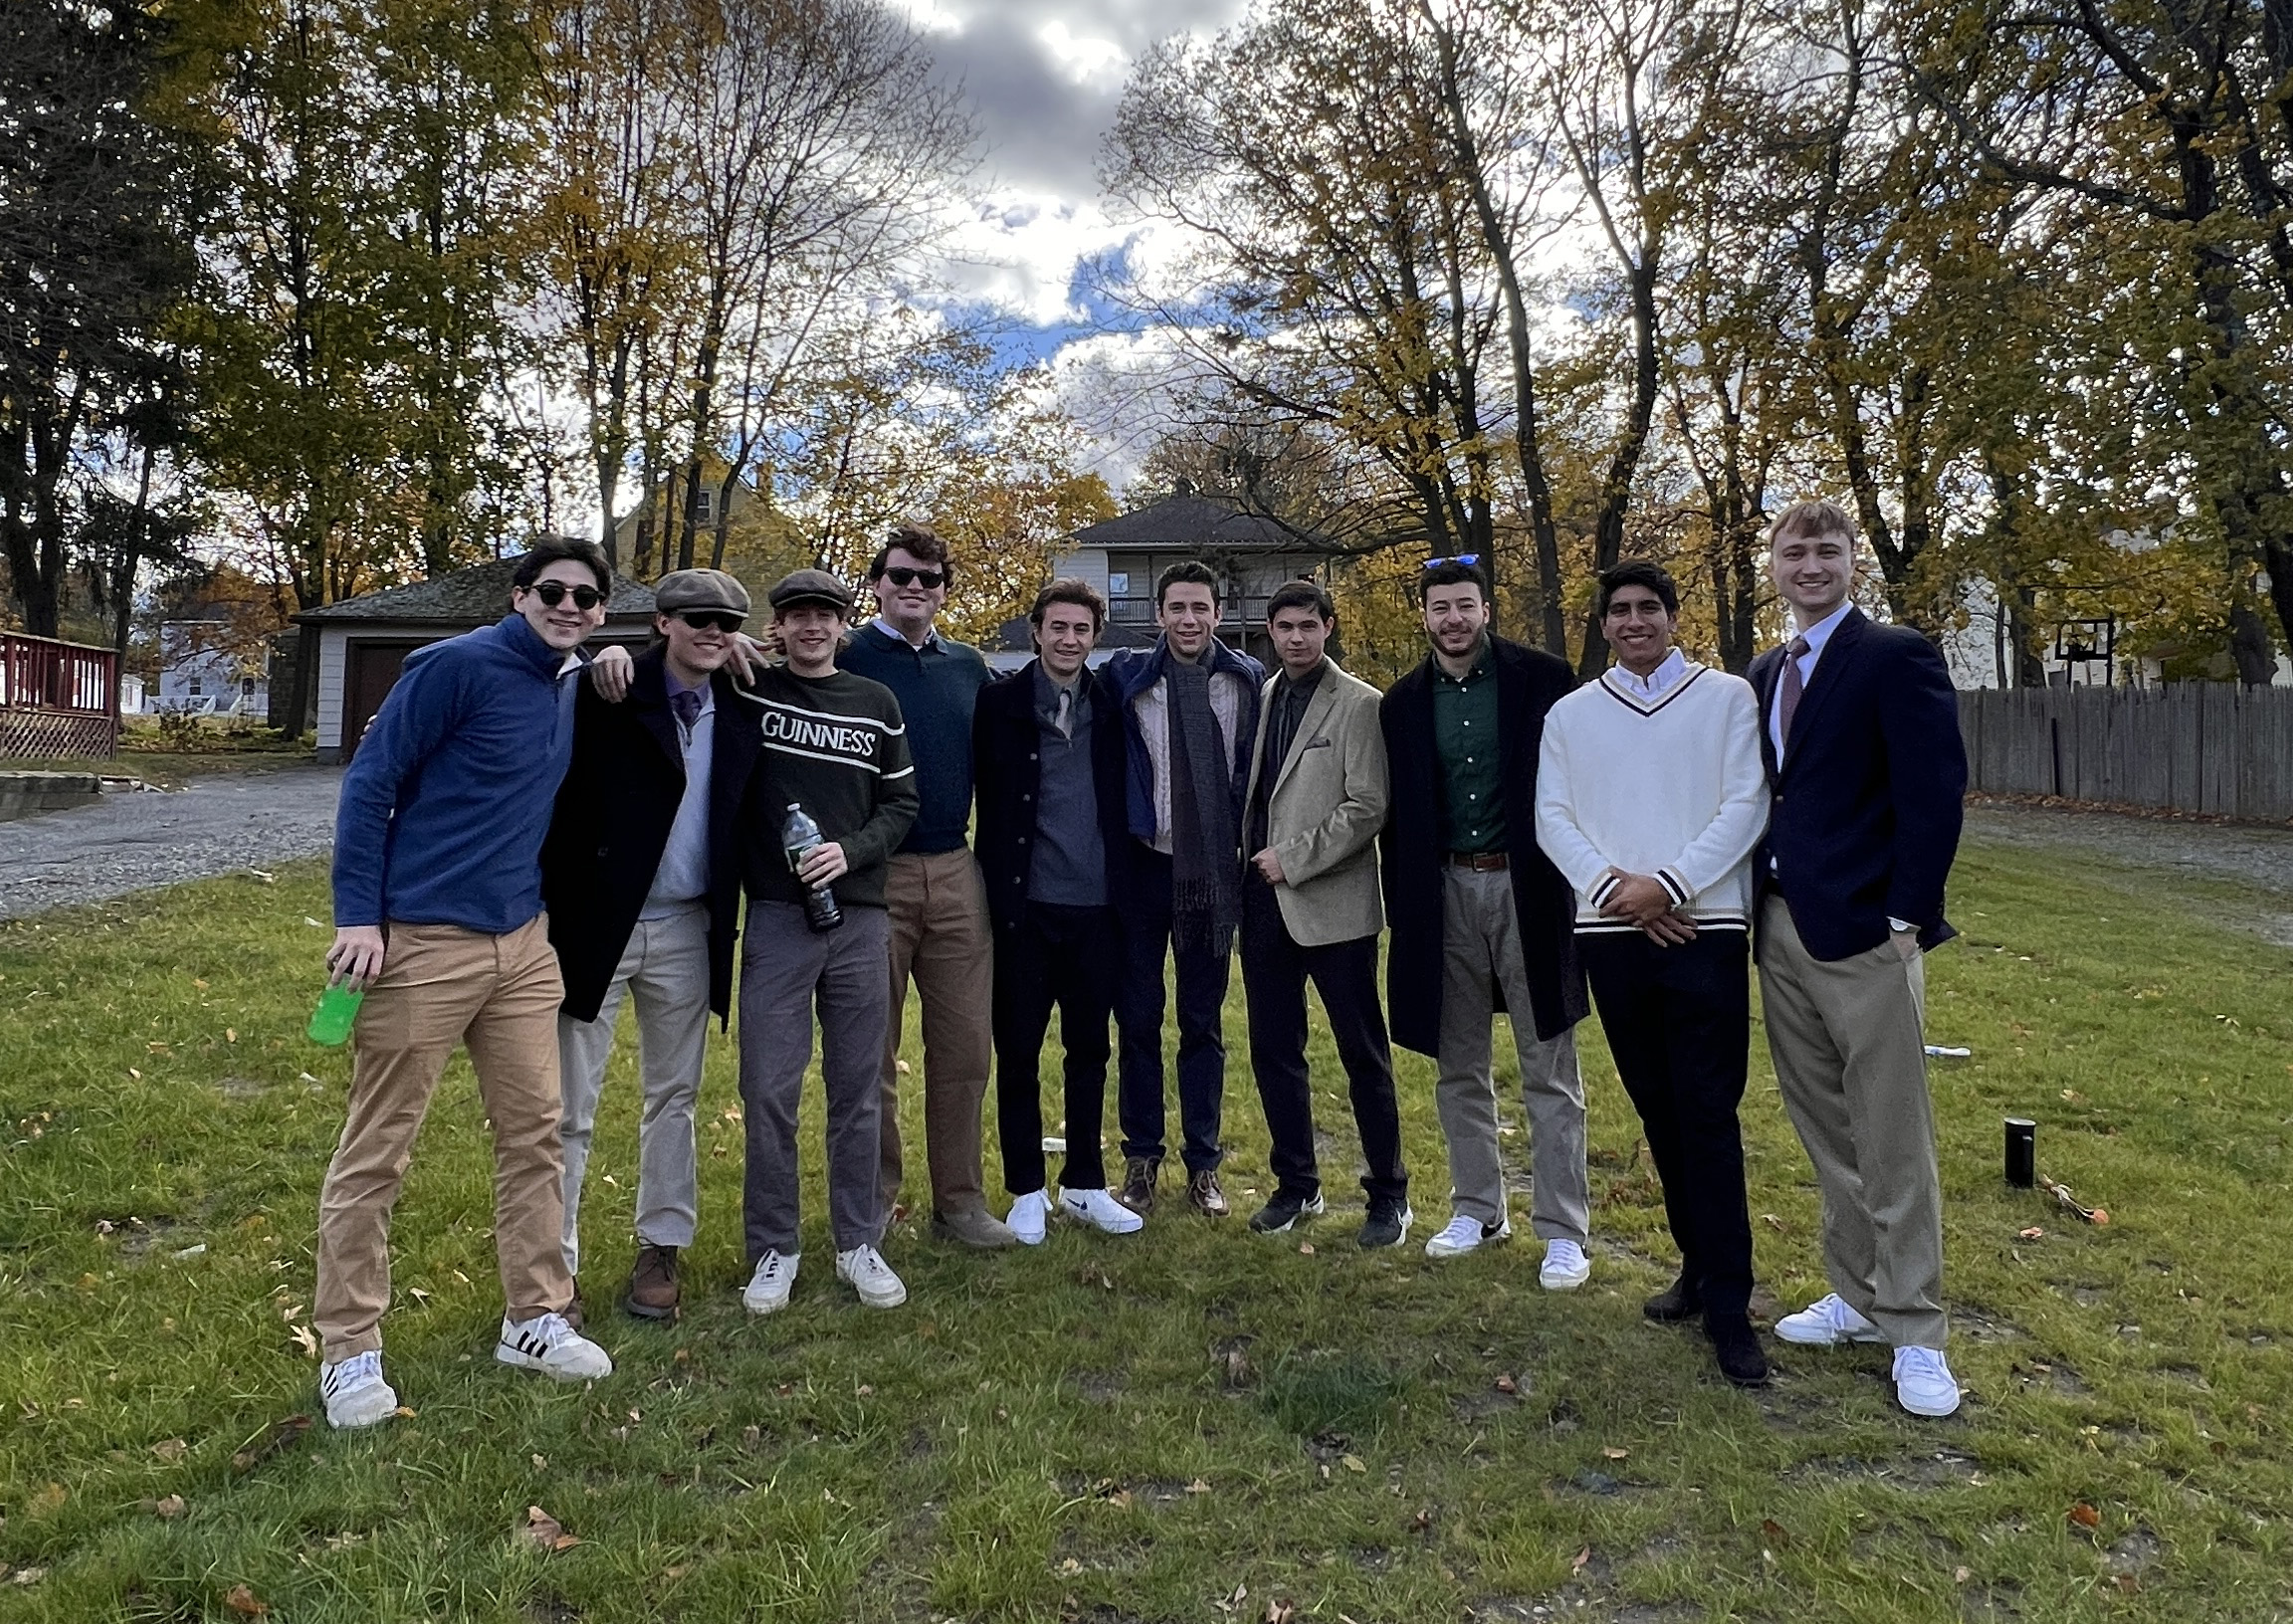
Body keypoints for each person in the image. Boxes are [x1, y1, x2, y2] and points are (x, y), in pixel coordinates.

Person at [314, 535, 616, 1430]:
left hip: (522, 946)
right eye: (553, 592)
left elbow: (677, 655)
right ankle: (348, 1350)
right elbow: (371, 784)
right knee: (378, 1149)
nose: (569, 608)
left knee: (536, 1136)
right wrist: (357, 917)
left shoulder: (571, 677)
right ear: (519, 595)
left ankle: (534, 1318)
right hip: (421, 943)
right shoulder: (453, 667)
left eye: (587, 598)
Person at [1748, 501, 1969, 1418]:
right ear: (1774, 566)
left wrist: (1908, 914)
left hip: (1868, 934)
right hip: (1779, 927)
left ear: (1852, 564)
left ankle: (1916, 1328)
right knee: (1826, 1128)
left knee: (1892, 1134)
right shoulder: (1766, 670)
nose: (1811, 565)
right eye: (1794, 552)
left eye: (1827, 551)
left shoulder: (1893, 656)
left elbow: (1936, 790)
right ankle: (1859, 1295)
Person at [1535, 560, 1771, 1385]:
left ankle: (1733, 1305)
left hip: (1703, 928)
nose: (1634, 621)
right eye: (1620, 611)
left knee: (1707, 1113)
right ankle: (1697, 1269)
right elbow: (1553, 817)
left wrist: (1669, 885)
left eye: (1649, 608)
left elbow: (1745, 804)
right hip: (1611, 932)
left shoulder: (1726, 699)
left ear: (1673, 616)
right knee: (1659, 1111)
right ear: (1604, 625)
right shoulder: (1572, 714)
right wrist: (1620, 894)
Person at [541, 568, 759, 1323]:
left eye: (728, 623)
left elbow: (826, 646)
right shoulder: (607, 690)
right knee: (568, 1107)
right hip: (597, 923)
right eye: (697, 618)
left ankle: (661, 1245)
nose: (713, 632)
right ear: (662, 622)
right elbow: (550, 663)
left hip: (688, 928)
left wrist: (746, 650)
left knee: (674, 1097)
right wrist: (600, 652)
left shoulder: (744, 699)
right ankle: (552, 1267)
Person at [1378, 557, 1591, 1281]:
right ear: (1425, 616)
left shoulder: (1544, 681)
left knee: (1548, 1064)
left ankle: (1563, 1229)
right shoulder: (1402, 703)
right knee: (1458, 1064)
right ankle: (1477, 1208)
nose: (1454, 619)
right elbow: (1398, 817)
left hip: (1529, 889)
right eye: (1440, 608)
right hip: (1443, 894)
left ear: (1486, 609)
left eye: (1464, 605)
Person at [731, 568, 920, 1315]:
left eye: (826, 615)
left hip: (860, 917)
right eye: (797, 615)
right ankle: (773, 1248)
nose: (812, 627)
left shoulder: (875, 702)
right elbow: (681, 658)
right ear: (778, 625)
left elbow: (901, 802)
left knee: (858, 1088)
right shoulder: (751, 689)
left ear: (845, 625)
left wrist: (852, 851)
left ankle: (858, 1241)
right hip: (778, 917)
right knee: (768, 1088)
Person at [836, 523, 1013, 1248]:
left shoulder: (968, 667)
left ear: (944, 591)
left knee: (965, 1048)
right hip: (872, 878)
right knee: (869, 1052)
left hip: (955, 869)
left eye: (929, 579)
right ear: (877, 582)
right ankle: (873, 1206)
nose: (915, 588)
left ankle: (960, 1202)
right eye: (901, 575)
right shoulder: (843, 655)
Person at [1236, 580, 1409, 1248]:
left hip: (1334, 908)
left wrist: (1293, 858)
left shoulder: (1360, 704)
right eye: (1285, 627)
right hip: (1264, 907)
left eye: (1308, 625)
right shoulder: (1264, 696)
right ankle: (1296, 1184)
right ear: (1271, 632)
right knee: (1275, 1052)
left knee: (1362, 1054)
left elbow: (1368, 806)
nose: (1296, 637)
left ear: (1328, 627)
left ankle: (1389, 1195)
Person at [971, 579, 1143, 1243]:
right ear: (1037, 631)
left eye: (1081, 629)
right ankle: (1025, 1189)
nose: (1069, 640)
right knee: (1017, 1049)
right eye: (1058, 627)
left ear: (1095, 637)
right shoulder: (998, 704)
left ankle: (1085, 1184)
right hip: (1024, 908)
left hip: (1097, 908)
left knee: (1089, 1049)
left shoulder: (1114, 704)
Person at [1103, 561, 1265, 1217]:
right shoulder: (1127, 680)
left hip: (1212, 874)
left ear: (1218, 614)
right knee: (1138, 1020)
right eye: (1177, 608)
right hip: (1145, 870)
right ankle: (1141, 1158)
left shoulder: (1246, 682)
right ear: (1159, 615)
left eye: (1200, 608)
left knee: (1202, 1022)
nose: (1189, 620)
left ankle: (1204, 1165)